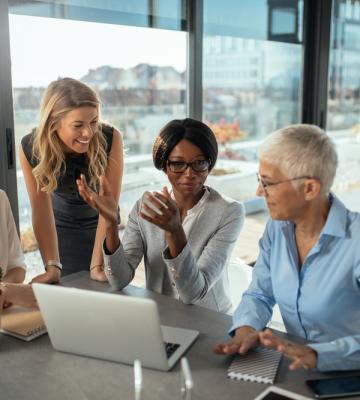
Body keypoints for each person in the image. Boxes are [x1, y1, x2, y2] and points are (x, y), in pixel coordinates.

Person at [214, 124, 360, 371]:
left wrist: (318, 354)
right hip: (297, 370)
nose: (259, 191)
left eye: (268, 183)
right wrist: (246, 330)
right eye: (259, 180)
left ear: (310, 188)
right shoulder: (277, 229)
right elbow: (260, 293)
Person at [77, 118, 244, 313]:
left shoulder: (229, 212)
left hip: (210, 321)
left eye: (199, 163)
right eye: (178, 164)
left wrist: (175, 231)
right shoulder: (144, 207)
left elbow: (194, 293)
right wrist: (111, 223)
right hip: (159, 318)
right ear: (164, 166)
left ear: (210, 164)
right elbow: (118, 280)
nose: (189, 173)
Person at [20, 77, 123, 282]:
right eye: (78, 125)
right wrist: (52, 266)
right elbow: (40, 210)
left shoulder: (111, 138)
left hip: (104, 228)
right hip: (60, 232)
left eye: (94, 122)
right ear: (53, 123)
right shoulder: (31, 148)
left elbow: (110, 206)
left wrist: (98, 264)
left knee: (107, 290)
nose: (88, 133)